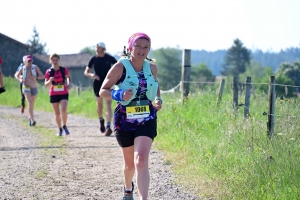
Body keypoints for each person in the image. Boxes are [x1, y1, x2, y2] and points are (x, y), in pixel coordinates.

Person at [100, 33, 163, 200]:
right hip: (124, 120)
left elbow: (155, 86)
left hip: (147, 118)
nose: (142, 50)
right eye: (138, 46)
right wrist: (119, 94)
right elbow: (103, 91)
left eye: (146, 47)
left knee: (141, 160)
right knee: (129, 165)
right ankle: (128, 188)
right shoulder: (120, 67)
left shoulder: (152, 68)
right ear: (130, 47)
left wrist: (158, 99)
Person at [84, 42, 117, 136]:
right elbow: (86, 71)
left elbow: (119, 67)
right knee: (99, 106)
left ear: (103, 49)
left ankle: (108, 126)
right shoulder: (93, 59)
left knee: (108, 104)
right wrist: (92, 75)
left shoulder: (109, 58)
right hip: (98, 84)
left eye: (97, 47)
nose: (96, 49)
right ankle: (101, 120)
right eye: (96, 47)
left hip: (108, 83)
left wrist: (115, 77)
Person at [44, 53, 71, 136]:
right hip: (53, 93)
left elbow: (68, 77)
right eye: (53, 60)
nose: (55, 61)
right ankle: (59, 129)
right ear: (51, 61)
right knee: (57, 113)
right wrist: (50, 80)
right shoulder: (49, 72)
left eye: (56, 60)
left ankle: (65, 126)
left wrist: (69, 84)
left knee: (63, 110)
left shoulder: (63, 69)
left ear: (59, 60)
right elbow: (46, 84)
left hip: (63, 92)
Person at [15, 55, 44, 126]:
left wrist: (36, 77)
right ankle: (32, 119)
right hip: (26, 87)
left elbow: (42, 76)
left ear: (32, 61)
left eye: (30, 61)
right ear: (25, 61)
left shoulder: (35, 67)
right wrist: (20, 79)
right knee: (30, 102)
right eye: (28, 61)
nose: (29, 62)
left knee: (31, 104)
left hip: (34, 87)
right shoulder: (23, 68)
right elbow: (16, 75)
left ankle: (29, 117)